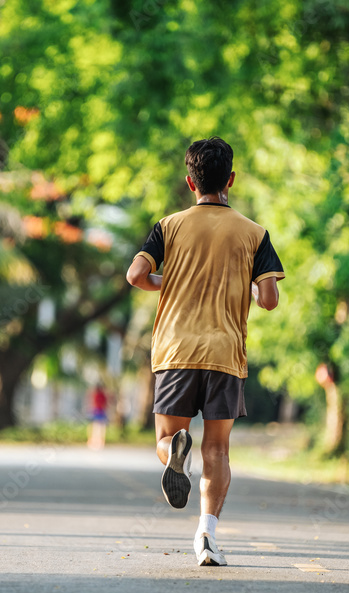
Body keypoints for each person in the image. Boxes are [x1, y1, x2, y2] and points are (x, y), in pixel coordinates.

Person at [125, 137, 284, 566]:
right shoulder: (254, 233)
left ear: (189, 181)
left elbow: (136, 274)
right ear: (230, 179)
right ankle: (207, 536)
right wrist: (245, 287)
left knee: (164, 437)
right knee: (218, 450)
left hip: (176, 350)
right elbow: (268, 300)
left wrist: (168, 282)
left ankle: (175, 450)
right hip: (226, 353)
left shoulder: (169, 226)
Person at [87, 383, 109, 450]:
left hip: (98, 411)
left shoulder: (98, 395)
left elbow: (94, 403)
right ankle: (96, 442)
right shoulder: (98, 395)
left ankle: (98, 442)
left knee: (97, 427)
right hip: (98, 411)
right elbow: (104, 404)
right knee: (98, 427)